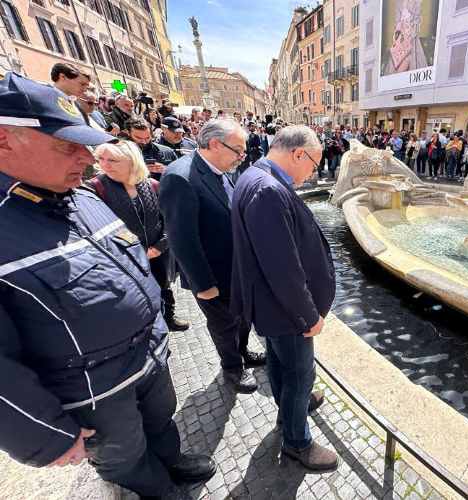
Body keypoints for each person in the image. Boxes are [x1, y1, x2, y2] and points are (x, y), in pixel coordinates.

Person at [0, 73, 214, 500]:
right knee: (124, 455)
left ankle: (172, 462)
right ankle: (159, 491)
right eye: (66, 145)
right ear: (5, 139)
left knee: (161, 423)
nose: (87, 157)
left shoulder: (84, 197)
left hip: (149, 362)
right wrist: (44, 437)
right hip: (94, 392)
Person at [230, 125, 337, 471]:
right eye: (313, 163)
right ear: (297, 154)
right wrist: (309, 316)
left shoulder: (254, 176)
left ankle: (291, 407)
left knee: (280, 363)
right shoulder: (268, 191)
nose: (313, 172)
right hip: (286, 311)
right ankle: (297, 442)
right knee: (300, 375)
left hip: (270, 306)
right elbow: (283, 269)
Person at [160, 119, 265, 391]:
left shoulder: (220, 169)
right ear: (216, 144)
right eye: (238, 150)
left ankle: (242, 353)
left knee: (242, 317)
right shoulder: (179, 177)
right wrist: (203, 285)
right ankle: (232, 368)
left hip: (235, 269)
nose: (242, 156)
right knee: (223, 324)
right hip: (212, 275)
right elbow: (182, 239)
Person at [87, 140, 189, 332]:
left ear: (132, 162)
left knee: (163, 285)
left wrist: (160, 245)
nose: (105, 165)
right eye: (102, 159)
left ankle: (168, 317)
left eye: (113, 160)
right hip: (124, 258)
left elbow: (170, 219)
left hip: (157, 252)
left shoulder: (153, 186)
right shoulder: (95, 189)